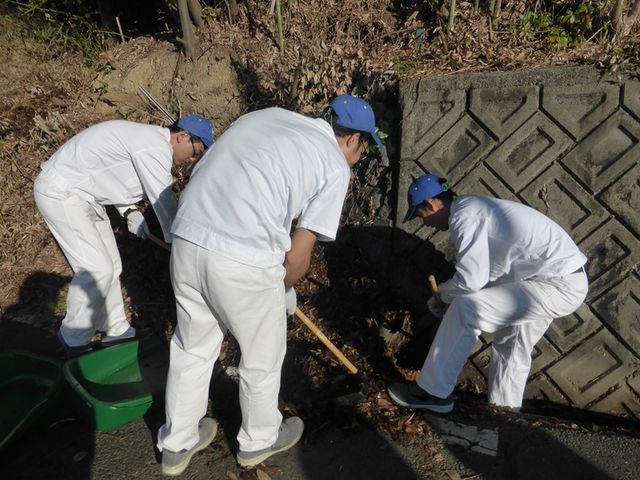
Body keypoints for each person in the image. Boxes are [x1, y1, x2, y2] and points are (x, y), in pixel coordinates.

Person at [156, 94, 383, 475]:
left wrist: (278, 285)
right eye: (364, 148)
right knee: (262, 354)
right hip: (242, 256)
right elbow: (297, 256)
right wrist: (282, 288)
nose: (359, 157)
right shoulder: (333, 164)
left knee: (191, 346)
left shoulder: (267, 116)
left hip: (187, 239)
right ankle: (259, 440)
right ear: (353, 140)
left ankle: (176, 443)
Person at [387, 174, 588, 414]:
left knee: (467, 309)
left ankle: (432, 392)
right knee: (511, 344)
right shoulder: (476, 209)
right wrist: (450, 295)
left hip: (556, 283)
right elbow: (492, 272)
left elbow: (472, 279)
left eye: (422, 217)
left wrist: (443, 294)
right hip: (559, 280)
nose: (426, 225)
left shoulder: (464, 215)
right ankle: (504, 413)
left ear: (431, 204)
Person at [33, 115, 214, 358]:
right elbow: (164, 200)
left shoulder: (148, 142)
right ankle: (72, 337)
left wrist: (129, 211)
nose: (192, 158)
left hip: (86, 196)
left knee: (113, 266)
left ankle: (116, 328)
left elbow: (111, 175)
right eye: (196, 150)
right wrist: (180, 242)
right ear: (182, 136)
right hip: (61, 192)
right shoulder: (155, 147)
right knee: (96, 269)